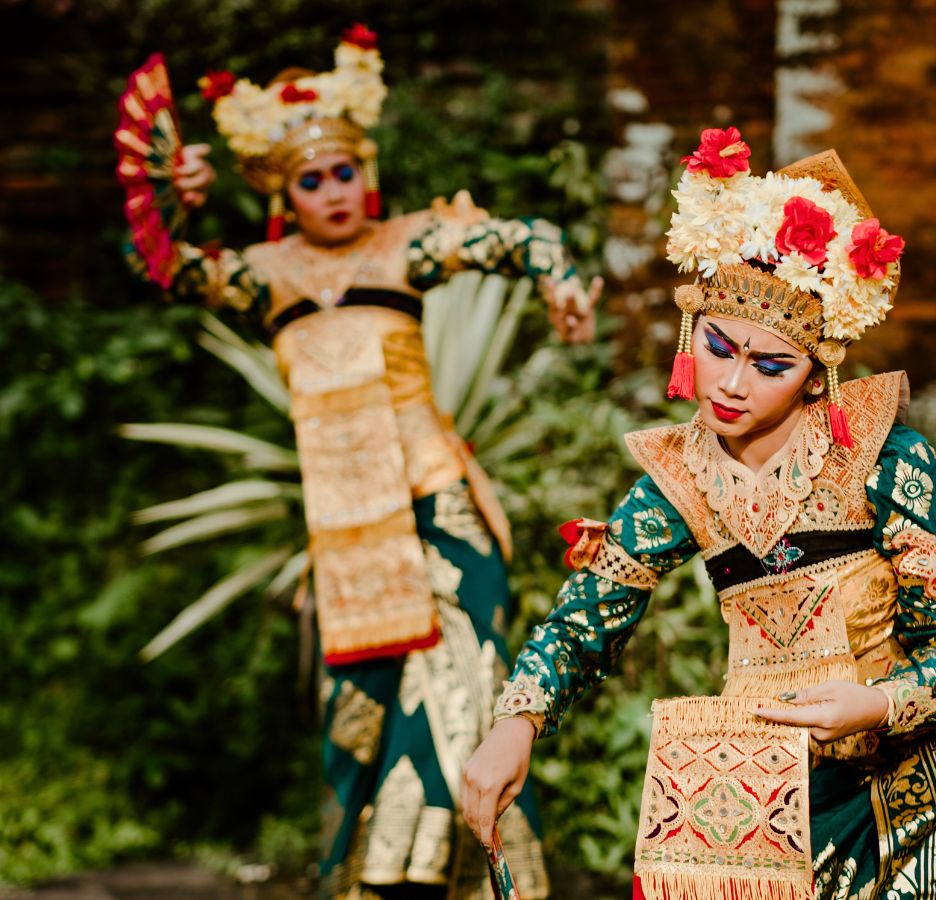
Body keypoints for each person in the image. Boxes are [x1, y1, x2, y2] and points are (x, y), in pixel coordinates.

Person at [462, 128, 936, 899]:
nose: (732, 385)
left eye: (771, 365)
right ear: (696, 331)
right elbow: (588, 618)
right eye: (720, 349)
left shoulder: (886, 457)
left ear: (815, 376)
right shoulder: (679, 477)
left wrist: (878, 703)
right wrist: (514, 723)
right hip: (803, 750)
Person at [117, 24, 604, 900]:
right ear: (283, 192)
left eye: (344, 172)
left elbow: (522, 238)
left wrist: (561, 283)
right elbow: (155, 264)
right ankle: (369, 882)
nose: (333, 192)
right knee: (362, 718)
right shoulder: (262, 274)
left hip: (439, 507)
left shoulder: (405, 247)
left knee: (470, 687)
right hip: (348, 533)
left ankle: (477, 881)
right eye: (311, 179)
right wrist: (180, 201)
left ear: (365, 174)